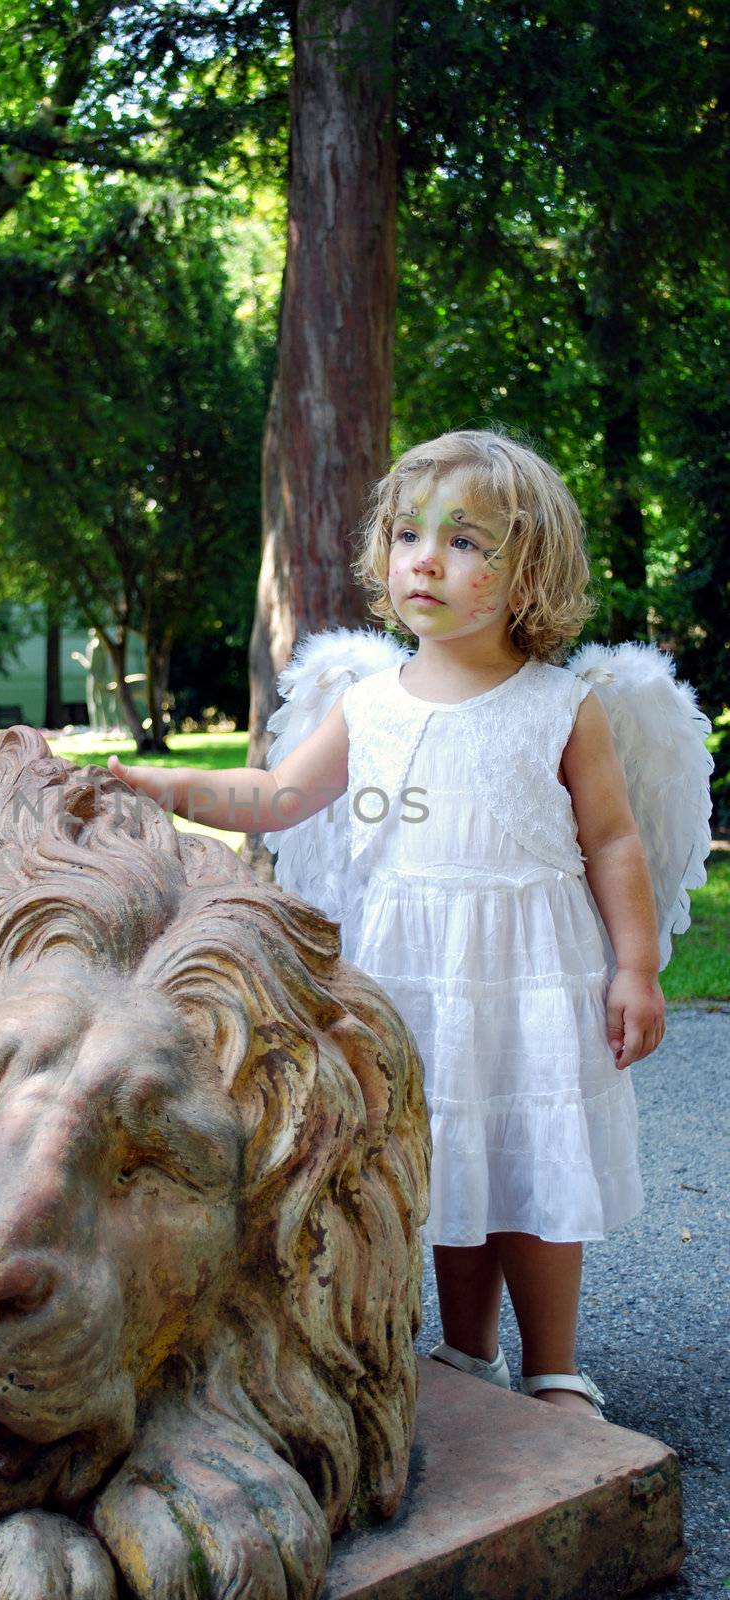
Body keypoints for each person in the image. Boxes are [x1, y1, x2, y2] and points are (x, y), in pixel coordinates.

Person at [109, 429, 668, 1421]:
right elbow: (277, 794)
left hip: (530, 970)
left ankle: (553, 1361)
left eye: (464, 540)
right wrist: (166, 784)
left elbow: (615, 842)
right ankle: (466, 1344)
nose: (424, 557)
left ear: (528, 569)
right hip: (415, 971)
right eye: (409, 533)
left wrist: (636, 967)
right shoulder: (369, 703)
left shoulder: (559, 706)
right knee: (445, 1152)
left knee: (529, 1154)